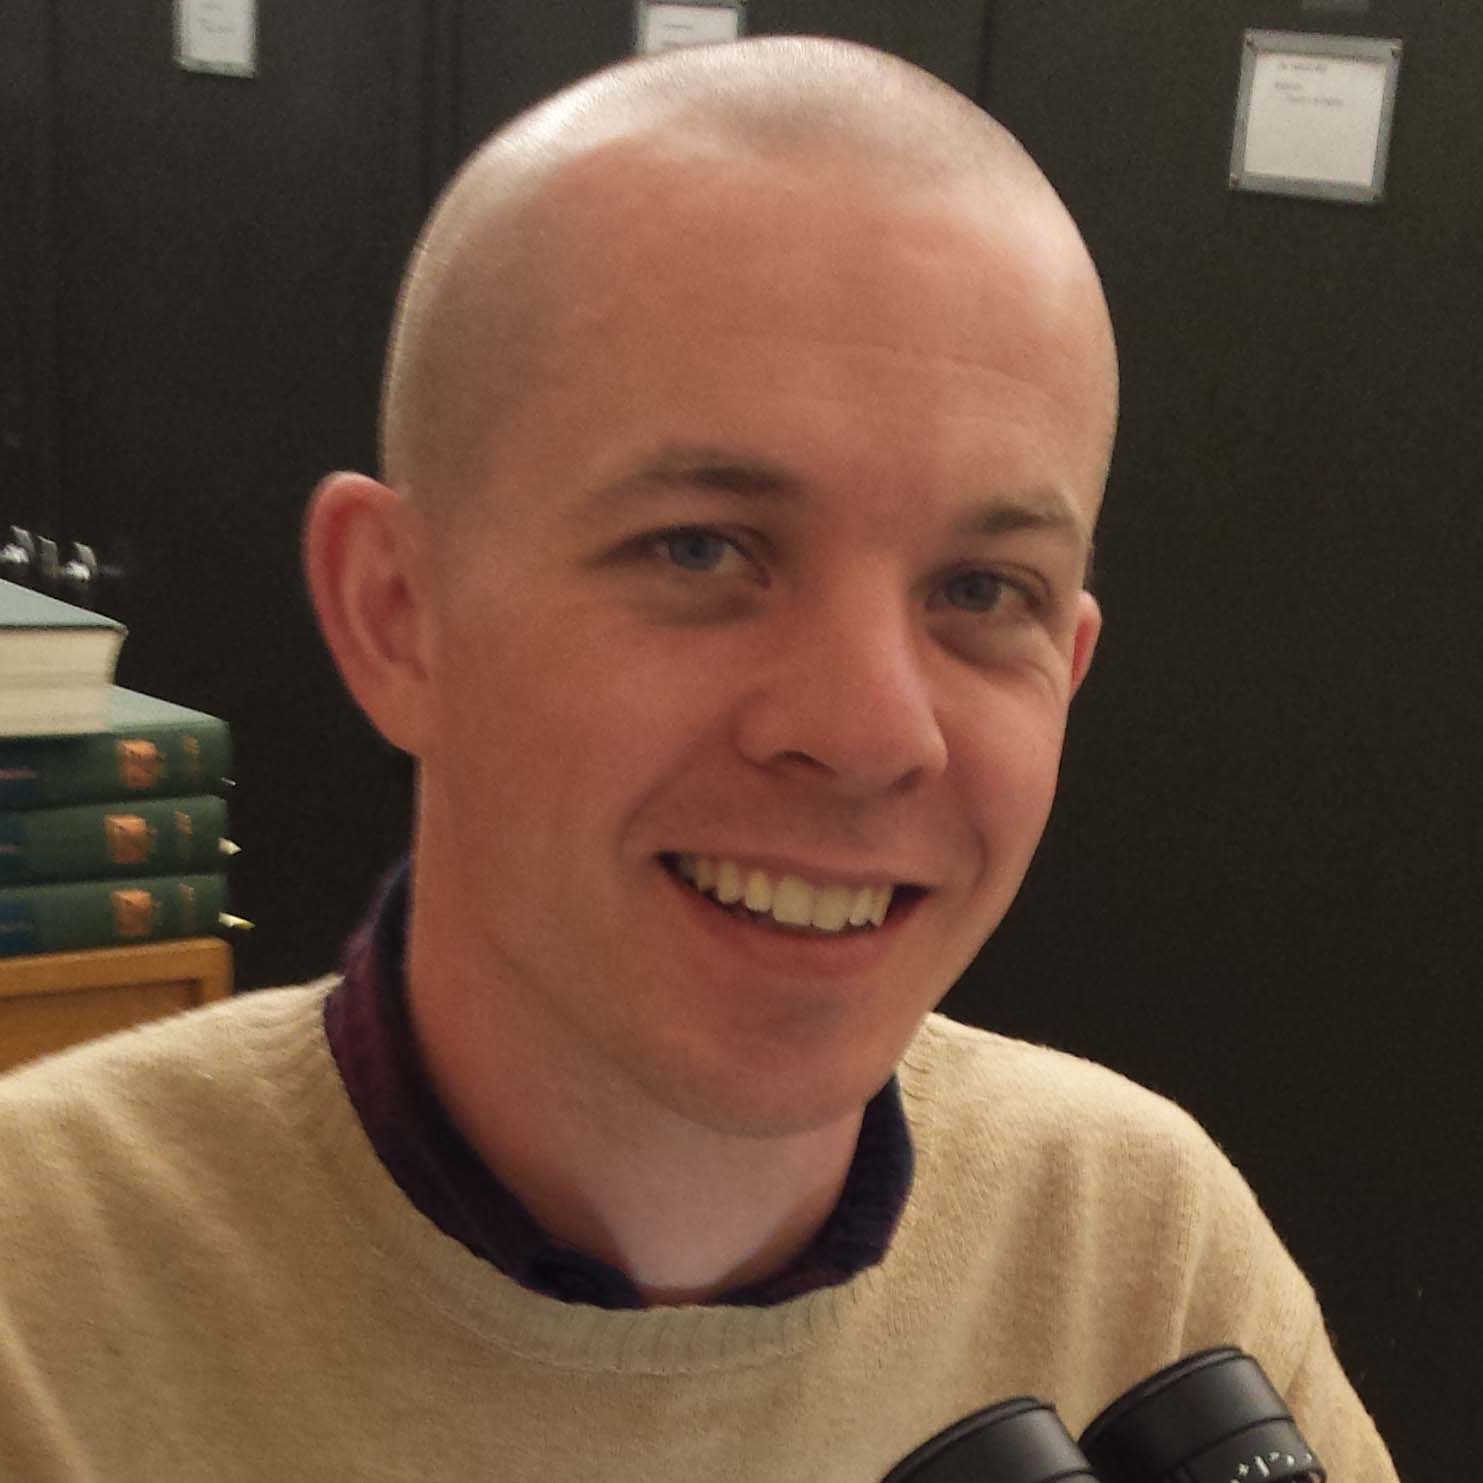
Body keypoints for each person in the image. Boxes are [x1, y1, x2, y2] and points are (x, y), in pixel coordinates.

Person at [0, 37, 1396, 1482]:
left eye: (984, 591)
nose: (869, 731)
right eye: (702, 549)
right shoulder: (39, 1321)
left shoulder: (1137, 1252)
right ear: (397, 613)